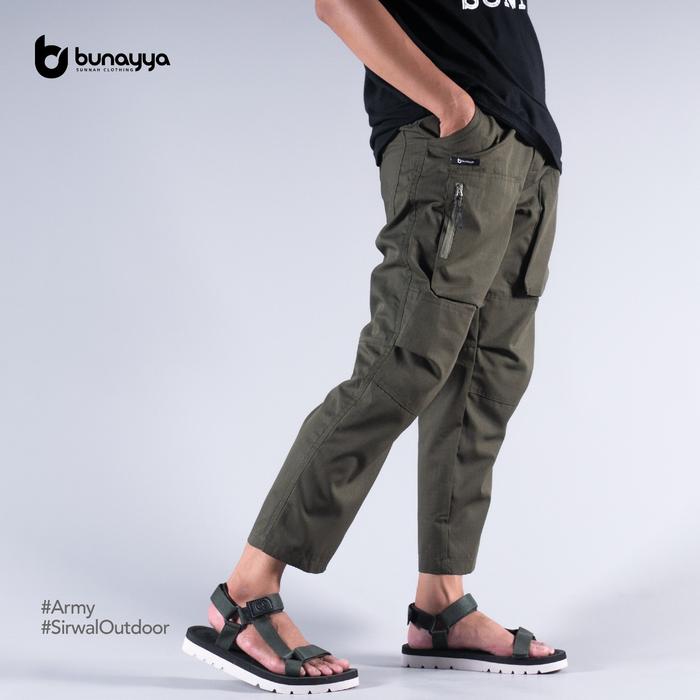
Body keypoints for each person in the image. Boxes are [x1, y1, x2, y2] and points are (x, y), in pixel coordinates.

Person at [183, 0, 567, 692]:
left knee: (485, 381)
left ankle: (441, 604)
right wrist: (453, 107)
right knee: (401, 364)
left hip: (526, 147)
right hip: (456, 142)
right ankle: (245, 592)